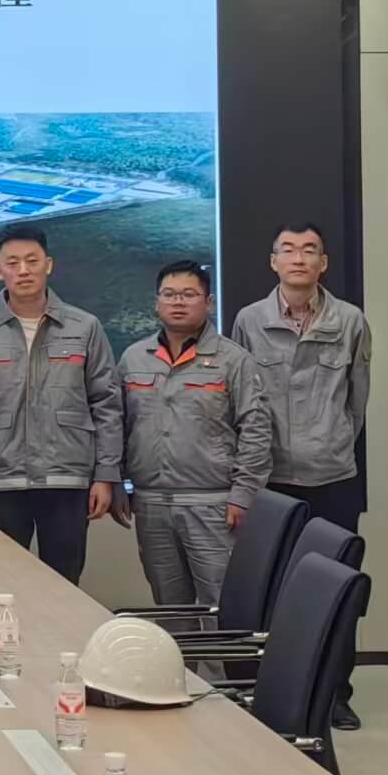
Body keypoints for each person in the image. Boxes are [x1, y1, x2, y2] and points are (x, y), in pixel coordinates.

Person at [231, 222, 372, 731]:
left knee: (337, 589)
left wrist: (330, 440)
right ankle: (273, 691)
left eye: (309, 250)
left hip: (332, 477)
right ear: (273, 262)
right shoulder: (249, 320)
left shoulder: (350, 321)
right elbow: (241, 398)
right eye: (288, 250)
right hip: (270, 480)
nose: (298, 258)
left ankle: (335, 695)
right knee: (270, 590)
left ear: (322, 263)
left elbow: (357, 399)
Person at [0, 225, 122, 584]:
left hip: (66, 479)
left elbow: (106, 404)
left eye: (32, 261)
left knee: (64, 583)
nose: (23, 270)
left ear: (49, 265)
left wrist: (106, 475)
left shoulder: (84, 327)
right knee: (0, 583)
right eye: (12, 263)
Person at [111, 261, 271, 619]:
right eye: (169, 294)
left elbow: (256, 430)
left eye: (189, 294)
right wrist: (118, 484)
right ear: (157, 302)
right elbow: (117, 426)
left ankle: (218, 661)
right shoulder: (134, 359)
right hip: (151, 505)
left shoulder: (233, 360)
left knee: (219, 607)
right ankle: (179, 660)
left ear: (208, 302)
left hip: (213, 505)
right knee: (171, 609)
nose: (178, 302)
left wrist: (243, 495)